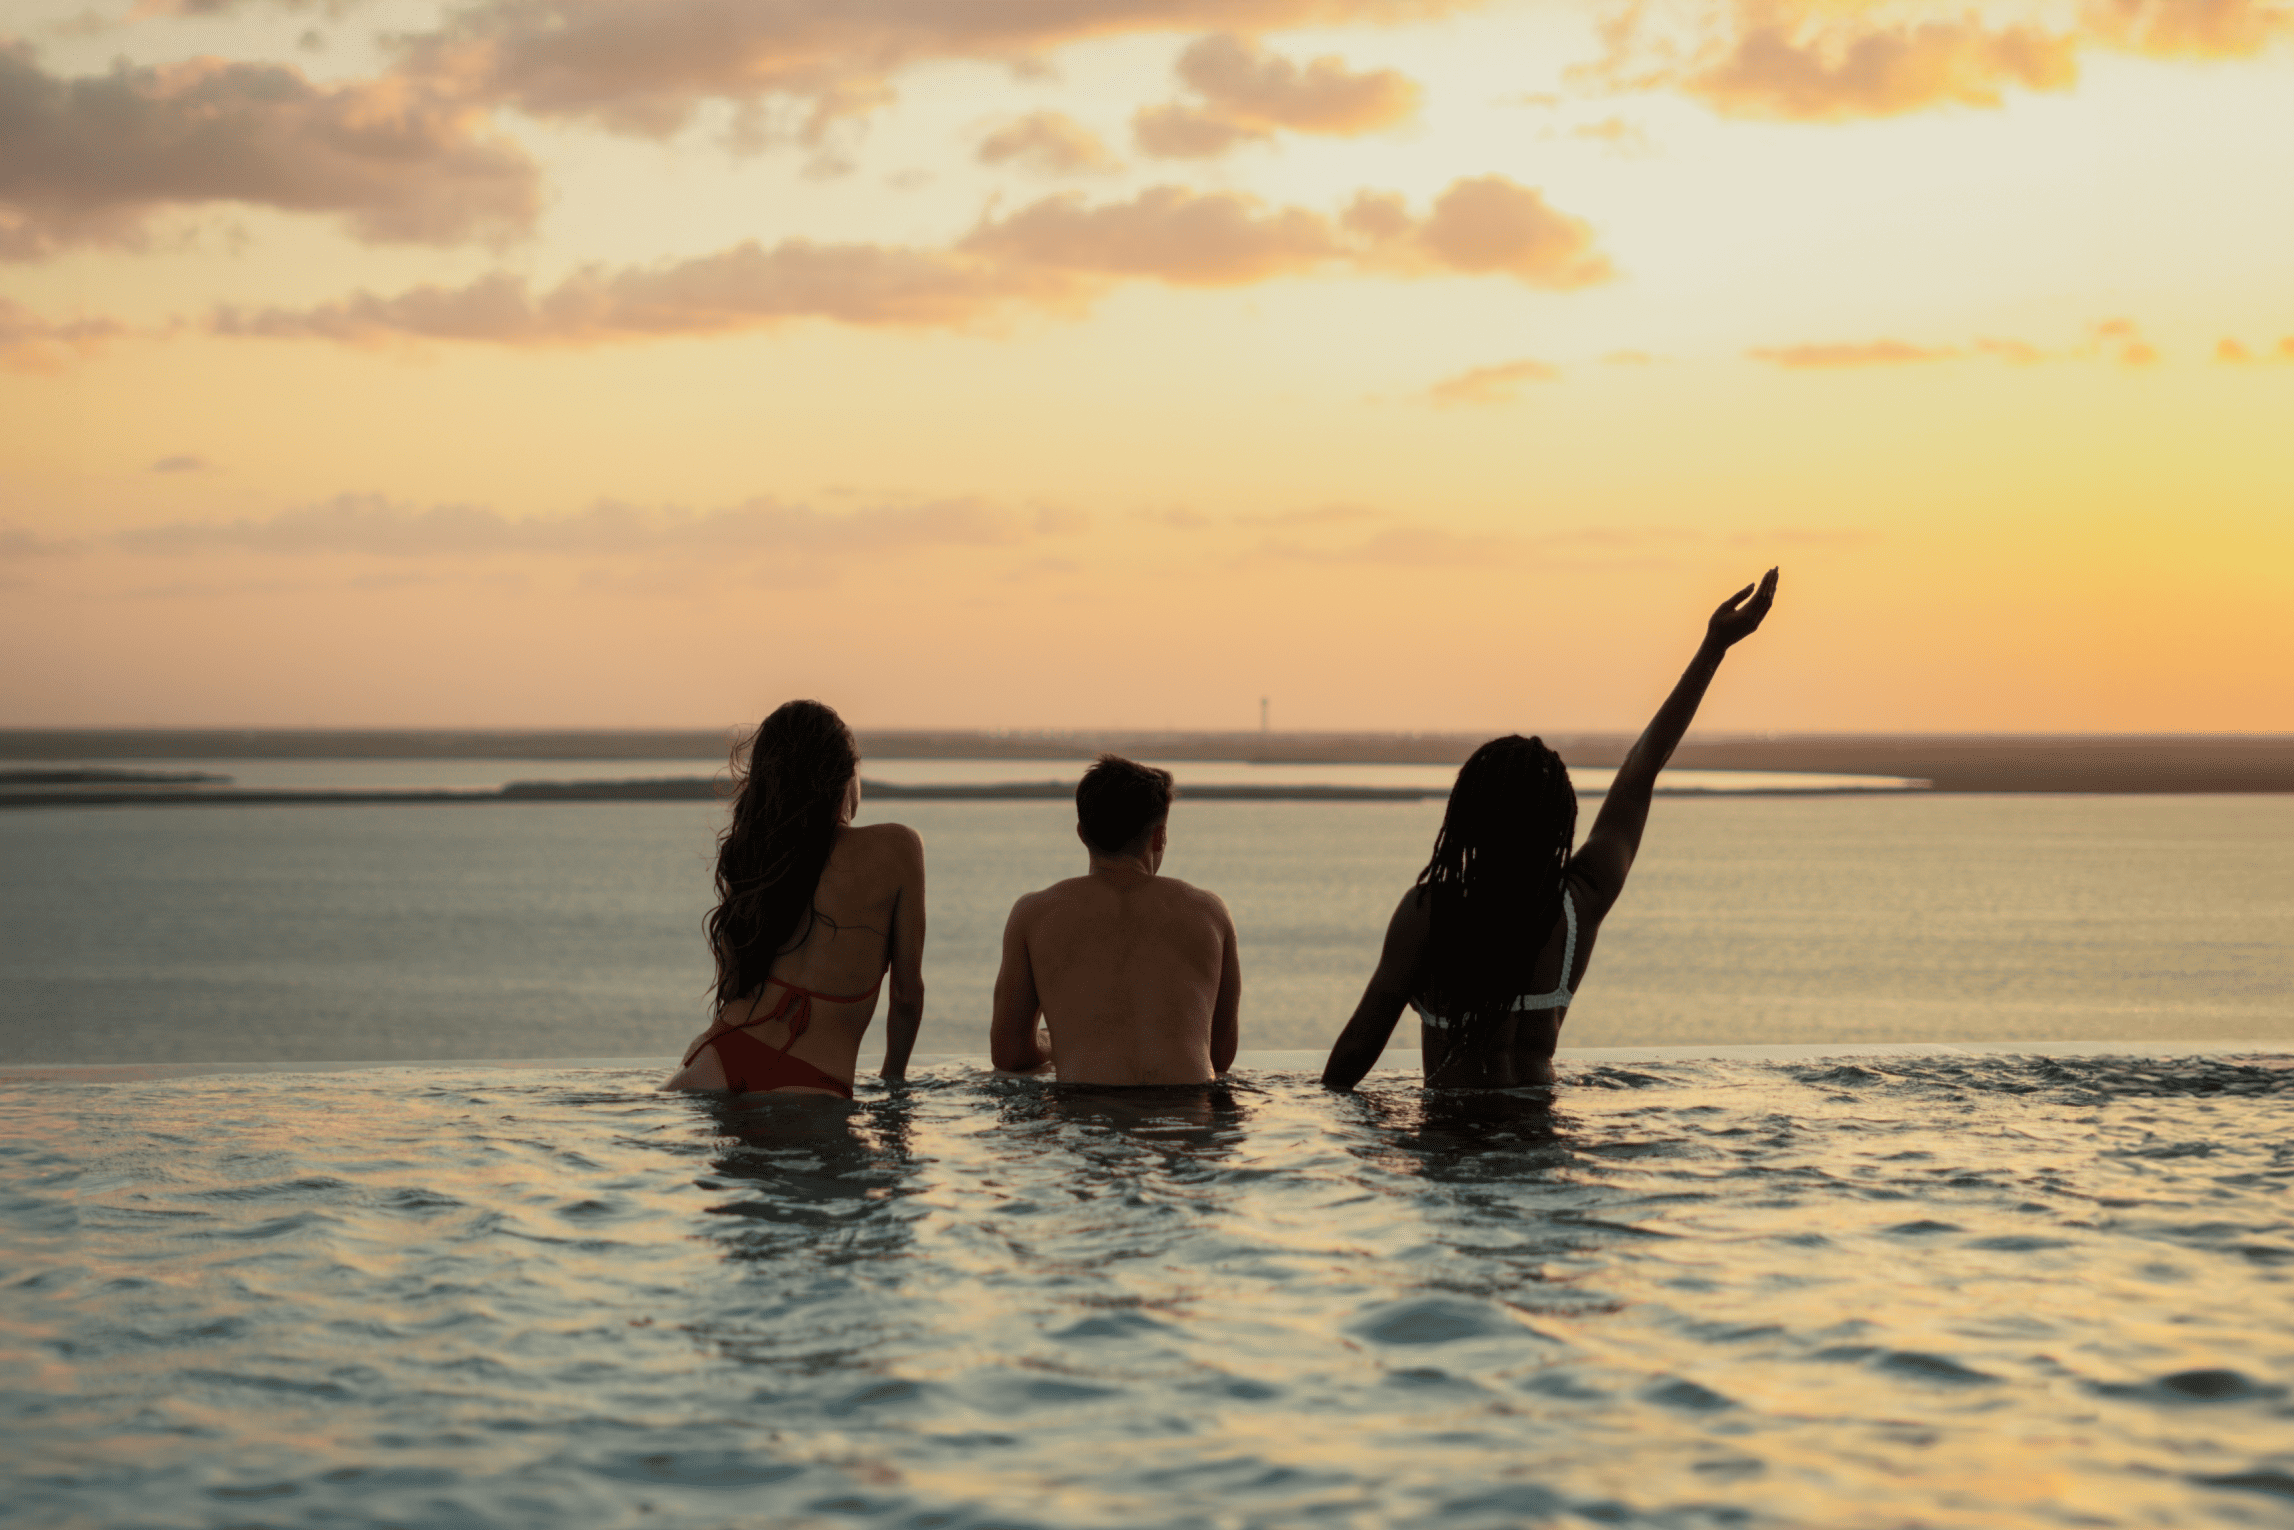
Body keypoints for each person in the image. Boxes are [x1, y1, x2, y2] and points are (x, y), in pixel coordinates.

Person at [1321, 569, 1778, 1092]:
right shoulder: (1578, 903)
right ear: (1558, 825)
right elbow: (1642, 767)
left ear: (1467, 822)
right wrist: (1713, 649)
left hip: (1455, 1154)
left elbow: (1354, 1056)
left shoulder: (1430, 914)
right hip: (1546, 1150)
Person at [664, 699, 925, 1099]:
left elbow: (734, 981)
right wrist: (893, 1081)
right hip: (813, 1081)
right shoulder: (898, 849)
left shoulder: (753, 853)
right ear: (847, 773)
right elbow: (906, 997)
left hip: (718, 1056)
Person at [989, 755, 1241, 1085]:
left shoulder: (1035, 913)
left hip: (1086, 1111)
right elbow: (1220, 1057)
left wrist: (1051, 1042)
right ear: (1159, 836)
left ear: (1082, 833)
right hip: (1187, 1111)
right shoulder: (1209, 912)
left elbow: (1010, 1055)